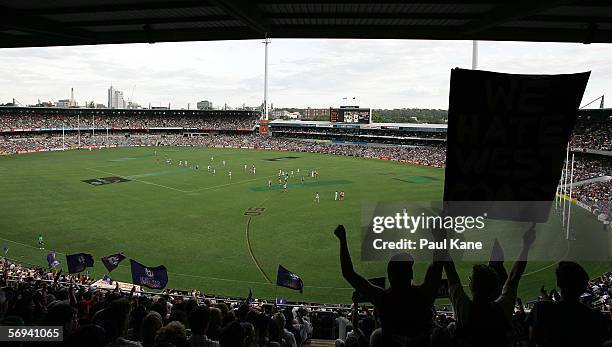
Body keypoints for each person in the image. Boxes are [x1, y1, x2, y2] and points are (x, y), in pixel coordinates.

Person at [334, 224, 443, 346]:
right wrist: (439, 237)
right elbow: (437, 265)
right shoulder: (423, 295)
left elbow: (348, 273)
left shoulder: (384, 299)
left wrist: (342, 240)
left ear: (390, 277)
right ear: (411, 275)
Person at [443, 223, 536, 346]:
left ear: (472, 285)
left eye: (471, 278)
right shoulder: (502, 309)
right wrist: (526, 246)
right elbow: (514, 276)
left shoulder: (464, 311)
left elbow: (450, 272)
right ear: (494, 287)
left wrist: (440, 241)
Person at [527, 261, 607, 347]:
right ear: (584, 288)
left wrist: (547, 302)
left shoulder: (541, 309)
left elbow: (532, 340)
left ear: (558, 284)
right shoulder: (596, 317)